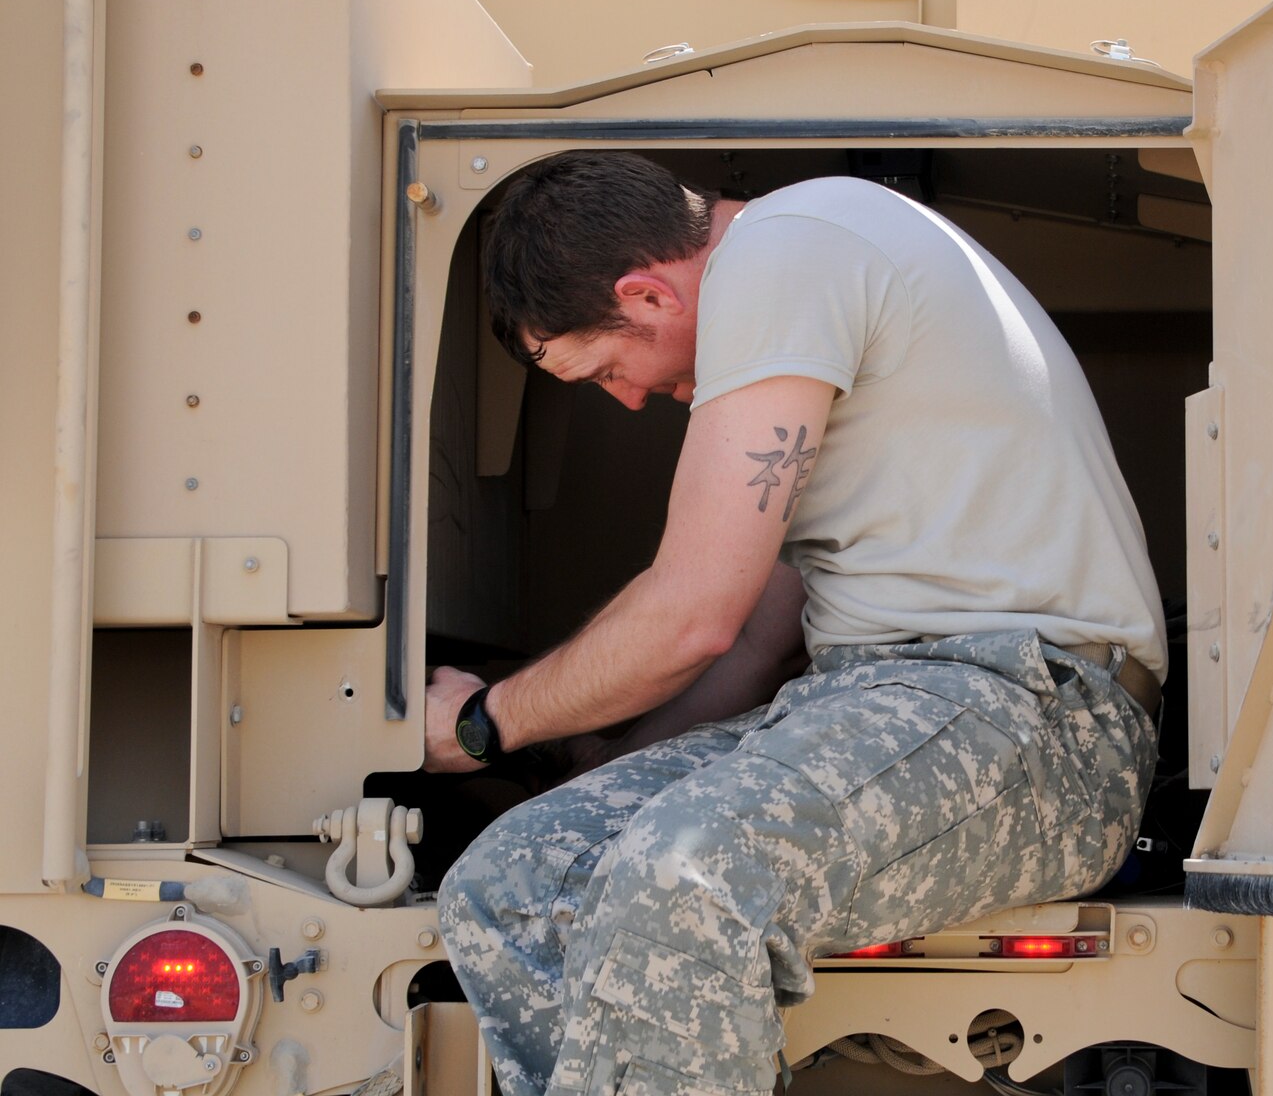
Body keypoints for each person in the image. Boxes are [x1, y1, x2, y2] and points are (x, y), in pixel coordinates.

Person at [426, 151, 1165, 1096]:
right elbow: (752, 637)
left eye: (609, 367)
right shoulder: (807, 315)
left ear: (648, 295)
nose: (628, 398)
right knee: (519, 879)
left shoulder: (789, 246)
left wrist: (483, 724)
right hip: (864, 706)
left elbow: (691, 613)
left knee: (687, 873)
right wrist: (612, 770)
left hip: (1039, 718)